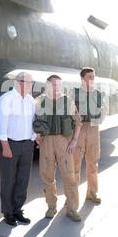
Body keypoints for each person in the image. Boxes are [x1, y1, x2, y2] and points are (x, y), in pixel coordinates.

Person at [33, 75, 83, 222]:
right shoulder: (39, 101)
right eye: (54, 85)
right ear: (47, 85)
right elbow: (33, 120)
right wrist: (36, 134)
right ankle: (51, 206)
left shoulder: (68, 101)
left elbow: (78, 123)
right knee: (47, 176)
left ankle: (72, 209)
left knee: (69, 176)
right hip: (46, 142)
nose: (57, 88)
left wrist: (74, 140)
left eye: (60, 85)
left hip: (64, 142)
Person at [0, 72, 36, 226]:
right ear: (18, 82)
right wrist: (5, 145)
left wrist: (34, 138)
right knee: (8, 179)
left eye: (31, 83)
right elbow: (1, 124)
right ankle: (7, 212)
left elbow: (31, 122)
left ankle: (18, 210)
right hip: (10, 145)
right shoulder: (6, 99)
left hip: (27, 145)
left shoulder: (31, 100)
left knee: (23, 179)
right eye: (27, 82)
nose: (30, 85)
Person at [70, 67, 107, 204]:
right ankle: (72, 197)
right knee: (74, 164)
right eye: (89, 77)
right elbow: (69, 110)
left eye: (93, 77)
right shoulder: (74, 93)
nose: (92, 79)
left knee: (93, 164)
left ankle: (92, 193)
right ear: (82, 78)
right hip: (78, 129)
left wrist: (99, 121)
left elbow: (104, 110)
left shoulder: (98, 94)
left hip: (93, 129)